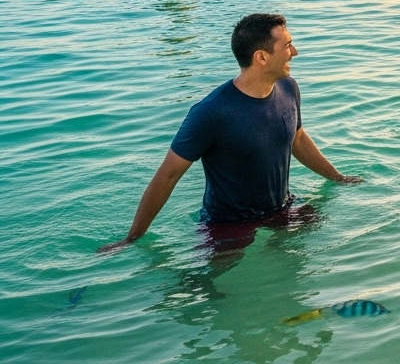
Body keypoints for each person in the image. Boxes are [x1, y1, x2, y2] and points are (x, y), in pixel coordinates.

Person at [99, 14, 361, 253]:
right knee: (214, 290)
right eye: (287, 46)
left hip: (281, 208)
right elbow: (168, 175)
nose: (295, 52)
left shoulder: (288, 88)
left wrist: (337, 178)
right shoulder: (211, 113)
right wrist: (132, 239)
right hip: (229, 224)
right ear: (261, 57)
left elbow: (298, 138)